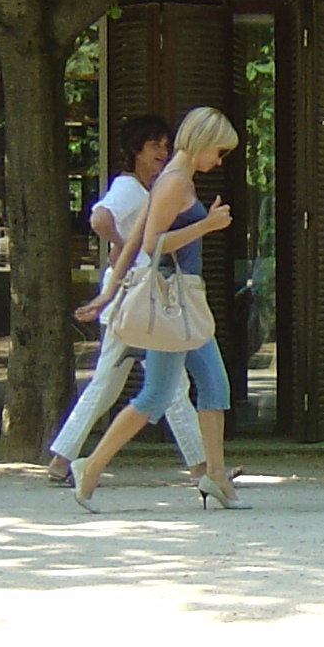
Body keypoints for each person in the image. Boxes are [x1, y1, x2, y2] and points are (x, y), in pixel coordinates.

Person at [70, 107, 243, 511]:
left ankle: (215, 477)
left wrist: (108, 292)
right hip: (173, 302)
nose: (218, 161)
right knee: (158, 394)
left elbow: (133, 243)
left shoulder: (172, 181)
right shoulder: (175, 183)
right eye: (218, 151)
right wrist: (207, 225)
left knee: (210, 386)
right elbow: (152, 244)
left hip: (179, 303)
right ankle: (90, 467)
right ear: (202, 142)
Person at [46, 115, 206, 488]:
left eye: (166, 147)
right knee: (170, 385)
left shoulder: (147, 188)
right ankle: (203, 468)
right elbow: (100, 219)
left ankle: (60, 460)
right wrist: (123, 247)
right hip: (136, 297)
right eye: (155, 146)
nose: (162, 154)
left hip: (131, 298)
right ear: (136, 150)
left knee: (110, 384)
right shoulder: (129, 187)